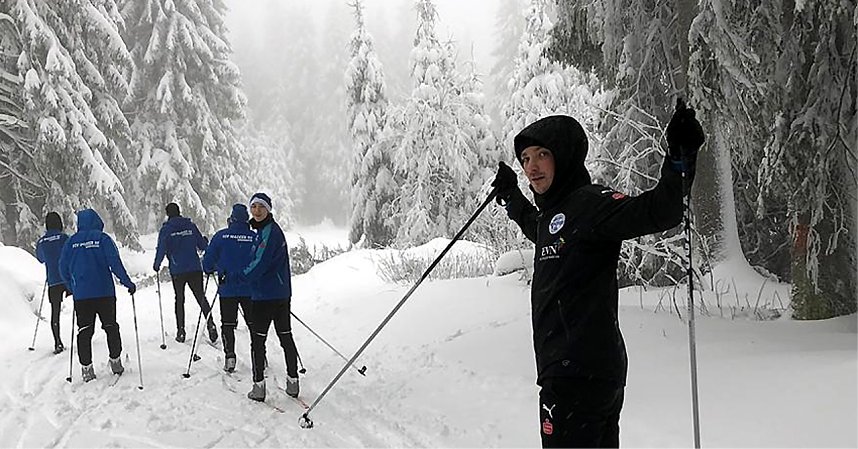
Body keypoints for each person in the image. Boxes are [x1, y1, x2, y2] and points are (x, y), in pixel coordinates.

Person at [490, 99, 705, 448]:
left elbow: (658, 211)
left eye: (542, 154)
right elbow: (538, 228)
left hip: (578, 377)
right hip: (582, 374)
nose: (531, 166)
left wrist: (680, 157)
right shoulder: (555, 215)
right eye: (525, 158)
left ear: (565, 155)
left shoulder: (590, 203)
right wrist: (511, 196)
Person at [233, 192, 300, 401]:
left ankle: (259, 386)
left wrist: (240, 276)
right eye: (253, 207)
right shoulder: (261, 231)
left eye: (261, 207)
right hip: (277, 293)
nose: (257, 211)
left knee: (259, 341)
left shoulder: (269, 232)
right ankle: (292, 382)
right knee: (284, 337)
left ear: (268, 209)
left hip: (266, 296)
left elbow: (259, 263)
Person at [58, 208, 136, 382]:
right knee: (110, 326)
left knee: (84, 331)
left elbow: (62, 267)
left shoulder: (71, 243)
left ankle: (86, 369)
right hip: (105, 293)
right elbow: (115, 263)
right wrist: (128, 283)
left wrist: (71, 286)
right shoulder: (103, 239)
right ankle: (115, 361)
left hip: (82, 296)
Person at [202, 204, 255, 373]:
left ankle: (230, 356)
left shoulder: (221, 236)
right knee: (254, 324)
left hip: (228, 288)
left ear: (231, 219)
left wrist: (213, 268)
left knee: (228, 324)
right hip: (250, 289)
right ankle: (259, 355)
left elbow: (207, 263)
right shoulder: (255, 237)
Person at [153, 202, 217, 344]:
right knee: (201, 297)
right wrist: (205, 241)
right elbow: (202, 245)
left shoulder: (166, 230)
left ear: (168, 214)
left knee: (180, 300)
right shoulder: (190, 226)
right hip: (194, 268)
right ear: (179, 211)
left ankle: (181, 331)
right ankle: (210, 323)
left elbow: (161, 249)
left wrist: (156, 265)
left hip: (178, 270)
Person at [35, 212, 70, 354]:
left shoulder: (42, 242)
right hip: (67, 278)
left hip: (52, 281)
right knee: (80, 305)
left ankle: (57, 342)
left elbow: (41, 259)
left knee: (55, 312)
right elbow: (69, 255)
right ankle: (84, 331)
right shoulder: (64, 238)